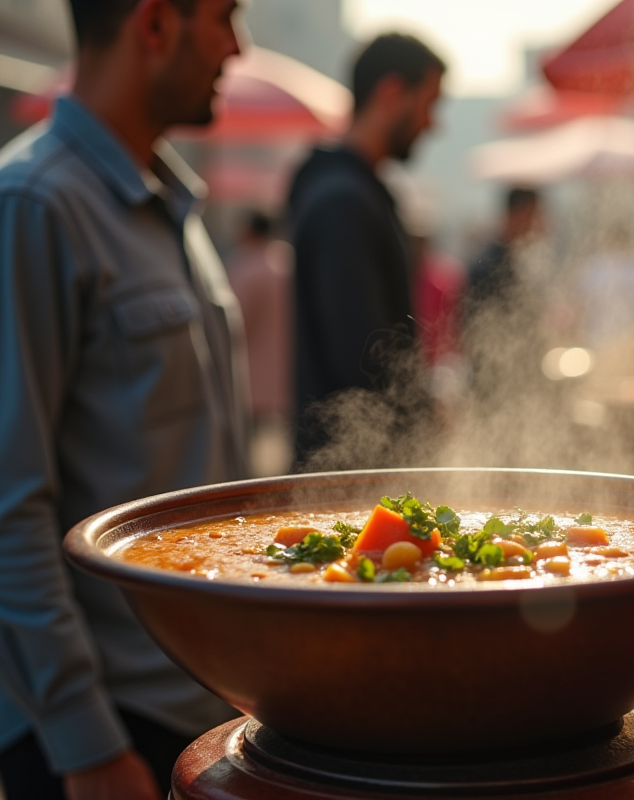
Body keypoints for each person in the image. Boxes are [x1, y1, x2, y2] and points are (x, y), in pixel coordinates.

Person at [0, 2, 247, 798]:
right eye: (223, 17)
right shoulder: (32, 204)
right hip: (106, 725)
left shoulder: (172, 206)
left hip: (199, 700)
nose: (235, 47)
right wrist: (87, 745)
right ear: (154, 24)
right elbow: (8, 502)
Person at [288, 33, 445, 465]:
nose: (433, 124)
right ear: (393, 93)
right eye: (430, 104)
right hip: (348, 476)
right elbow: (363, 359)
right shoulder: (344, 201)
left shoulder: (353, 192)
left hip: (351, 470)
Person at [459, 186, 546, 399]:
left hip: (510, 379)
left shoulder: (508, 259)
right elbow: (477, 330)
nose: (539, 227)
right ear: (519, 213)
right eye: (535, 217)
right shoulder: (488, 263)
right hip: (494, 383)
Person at [226, 211, 294, 476]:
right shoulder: (287, 262)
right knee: (284, 440)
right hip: (286, 367)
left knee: (250, 447)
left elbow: (234, 322)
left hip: (251, 369)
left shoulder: (246, 267)